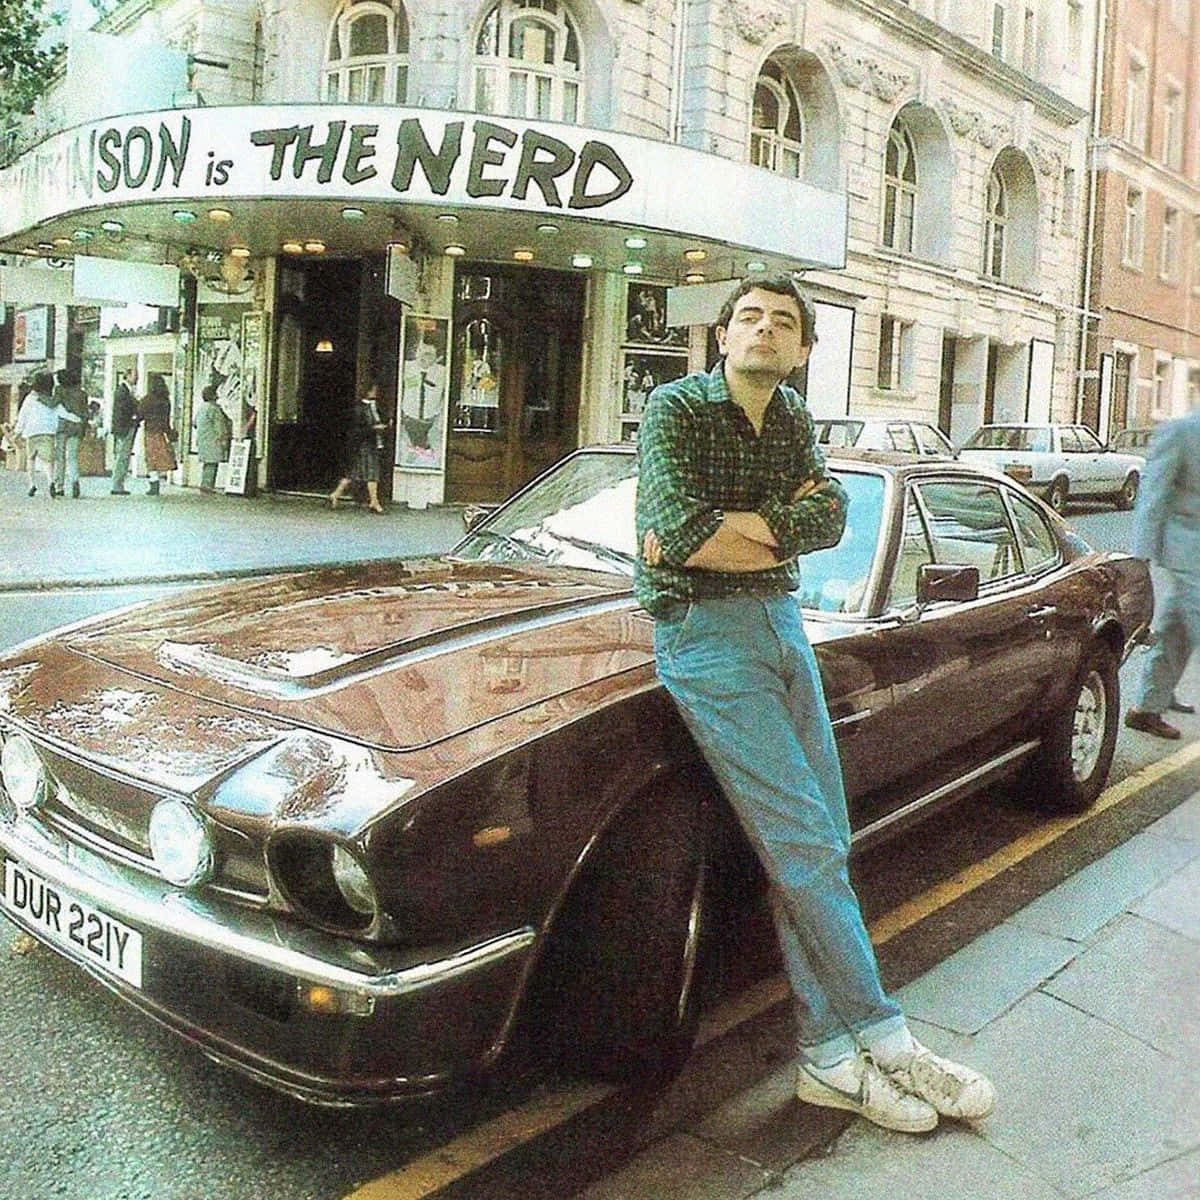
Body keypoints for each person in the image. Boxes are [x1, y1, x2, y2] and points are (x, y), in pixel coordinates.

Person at [635, 274, 995, 1134]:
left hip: (780, 623)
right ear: (723, 337)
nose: (764, 329)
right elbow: (672, 535)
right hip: (703, 637)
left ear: (801, 350)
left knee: (820, 843)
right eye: (749, 317)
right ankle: (885, 1035)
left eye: (783, 322)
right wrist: (765, 526)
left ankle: (827, 1061)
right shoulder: (674, 410)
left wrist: (743, 532)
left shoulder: (793, 418)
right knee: (803, 844)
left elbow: (830, 517)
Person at [1124, 406, 1200, 739]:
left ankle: (1148, 705)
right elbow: (1153, 494)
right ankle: (1151, 702)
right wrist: (1141, 558)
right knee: (1191, 619)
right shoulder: (1181, 431)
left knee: (1177, 629)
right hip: (1187, 547)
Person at [328, 383, 388, 514]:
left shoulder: (376, 406)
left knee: (354, 472)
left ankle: (336, 494)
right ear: (368, 392)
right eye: (373, 390)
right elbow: (357, 429)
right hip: (365, 444)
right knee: (372, 473)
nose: (375, 393)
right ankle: (374, 501)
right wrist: (374, 428)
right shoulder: (359, 408)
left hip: (374, 442)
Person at [13, 371, 64, 498]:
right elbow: (62, 413)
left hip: (31, 432)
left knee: (31, 458)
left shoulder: (30, 398)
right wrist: (78, 419)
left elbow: (23, 416)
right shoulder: (52, 400)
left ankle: (31, 484)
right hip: (48, 432)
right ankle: (51, 481)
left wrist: (17, 432)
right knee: (48, 460)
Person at [51, 367, 88, 499]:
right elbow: (85, 413)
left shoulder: (59, 390)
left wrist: (40, 398)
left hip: (63, 427)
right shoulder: (82, 393)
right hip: (76, 428)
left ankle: (59, 486)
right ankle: (74, 481)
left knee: (60, 457)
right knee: (72, 457)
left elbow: (53, 403)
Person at [137, 373, 176, 496]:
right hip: (161, 432)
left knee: (150, 458)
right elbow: (167, 419)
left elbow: (140, 414)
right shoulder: (165, 400)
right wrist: (168, 431)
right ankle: (157, 481)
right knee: (159, 457)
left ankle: (154, 484)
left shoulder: (148, 399)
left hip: (150, 431)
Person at [194, 385, 232, 493]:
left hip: (202, 439)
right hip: (213, 440)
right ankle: (208, 486)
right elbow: (220, 426)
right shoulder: (214, 409)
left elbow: (195, 423)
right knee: (212, 463)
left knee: (207, 463)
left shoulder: (201, 408)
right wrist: (223, 437)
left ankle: (205, 483)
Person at [110, 367, 139, 495]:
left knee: (124, 456)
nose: (137, 378)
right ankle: (117, 485)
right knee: (123, 456)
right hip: (125, 428)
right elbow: (124, 410)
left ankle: (119, 483)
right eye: (134, 375)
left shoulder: (126, 391)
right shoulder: (123, 391)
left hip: (124, 427)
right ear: (127, 376)